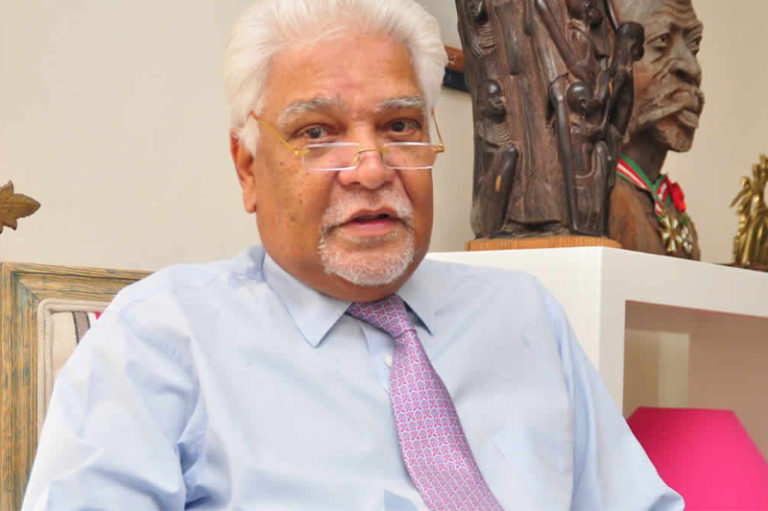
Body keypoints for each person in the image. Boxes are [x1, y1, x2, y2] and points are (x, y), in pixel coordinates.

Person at [23, 0, 683, 509]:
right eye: (317, 132)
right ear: (248, 167)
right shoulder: (158, 338)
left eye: (400, 126)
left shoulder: (524, 316)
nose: (371, 169)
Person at [607, 0, 704, 258]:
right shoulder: (601, 201)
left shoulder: (674, 211)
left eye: (694, 47)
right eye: (662, 41)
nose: (693, 68)